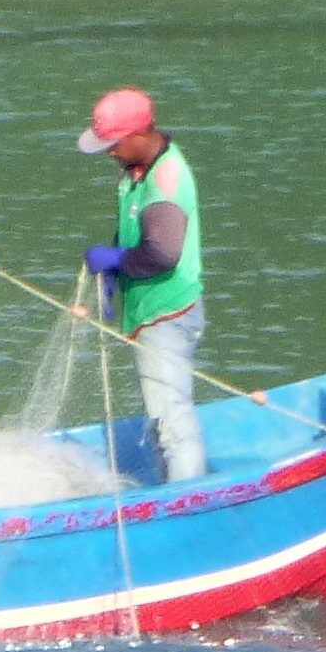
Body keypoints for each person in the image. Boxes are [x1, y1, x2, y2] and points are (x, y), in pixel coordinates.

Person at [80, 88, 207, 481]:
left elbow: (162, 254)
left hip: (167, 316)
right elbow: (136, 228)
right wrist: (113, 269)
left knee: (172, 424)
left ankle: (187, 501)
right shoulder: (136, 169)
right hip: (148, 312)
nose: (109, 153)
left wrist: (117, 260)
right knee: (161, 418)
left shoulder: (165, 181)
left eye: (114, 144)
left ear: (139, 135)